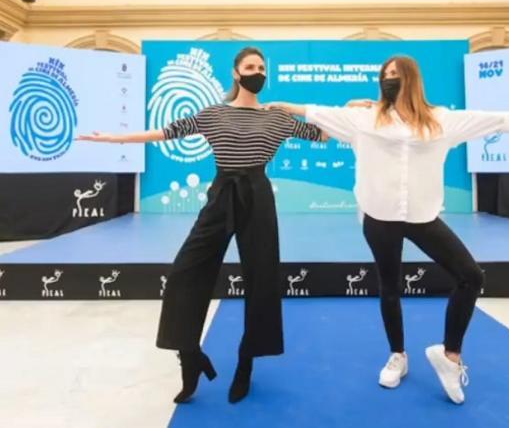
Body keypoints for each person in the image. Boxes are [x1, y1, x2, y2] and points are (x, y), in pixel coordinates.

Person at [268, 55, 509, 405]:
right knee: (389, 287)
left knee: (471, 275)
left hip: (422, 215)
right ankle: (398, 356)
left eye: (395, 74)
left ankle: (450, 356)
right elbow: (314, 111)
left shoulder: (440, 120)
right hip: (379, 216)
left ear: (411, 78)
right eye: (385, 75)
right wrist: (282, 105)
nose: (389, 79)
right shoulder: (365, 119)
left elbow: (488, 119)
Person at [78, 46, 325, 404]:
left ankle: (246, 363)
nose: (257, 72)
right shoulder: (213, 114)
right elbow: (165, 132)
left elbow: (323, 135)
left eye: (261, 67)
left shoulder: (276, 118)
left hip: (258, 196)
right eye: (250, 66)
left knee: (262, 279)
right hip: (222, 193)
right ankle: (189, 356)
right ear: (237, 74)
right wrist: (114, 139)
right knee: (184, 272)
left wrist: (350, 114)